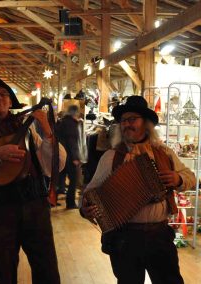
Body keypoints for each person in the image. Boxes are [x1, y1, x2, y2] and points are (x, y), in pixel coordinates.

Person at [0, 76, 66, 284]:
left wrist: (47, 130)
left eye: (3, 94)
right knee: (4, 272)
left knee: (47, 270)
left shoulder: (29, 132)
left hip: (36, 206)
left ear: (10, 102)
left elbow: (54, 165)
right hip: (1, 210)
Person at [80, 96, 196, 284]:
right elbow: (91, 192)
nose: (126, 124)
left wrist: (178, 178)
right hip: (125, 239)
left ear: (146, 124)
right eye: (123, 121)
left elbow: (190, 177)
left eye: (132, 119)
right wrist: (85, 208)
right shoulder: (110, 157)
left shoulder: (164, 152)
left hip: (159, 236)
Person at [56, 105, 84, 209]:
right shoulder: (72, 124)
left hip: (61, 156)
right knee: (73, 180)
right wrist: (75, 158)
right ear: (75, 113)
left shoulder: (62, 122)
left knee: (60, 179)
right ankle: (71, 203)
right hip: (69, 157)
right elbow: (72, 142)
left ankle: (52, 200)